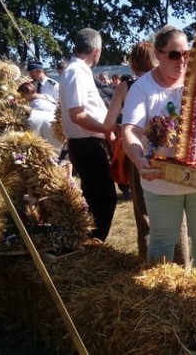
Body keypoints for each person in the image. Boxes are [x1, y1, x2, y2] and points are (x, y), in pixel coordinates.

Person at [122, 25, 196, 269]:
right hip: (161, 181)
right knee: (162, 243)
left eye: (187, 54)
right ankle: (161, 298)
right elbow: (130, 130)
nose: (182, 60)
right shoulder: (143, 88)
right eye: (175, 54)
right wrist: (138, 159)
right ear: (158, 54)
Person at [105, 41, 187, 264]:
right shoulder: (165, 84)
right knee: (176, 217)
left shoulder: (126, 86)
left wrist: (118, 135)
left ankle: (150, 266)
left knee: (144, 215)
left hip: (137, 156)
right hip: (169, 157)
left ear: (132, 62)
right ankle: (180, 267)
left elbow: (108, 124)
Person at [58, 28, 118, 242]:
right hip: (86, 144)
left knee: (96, 198)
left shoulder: (77, 71)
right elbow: (78, 114)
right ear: (96, 50)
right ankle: (93, 244)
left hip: (87, 143)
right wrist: (107, 129)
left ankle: (88, 241)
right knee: (105, 199)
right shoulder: (75, 71)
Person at [16, 82, 63, 152]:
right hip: (59, 126)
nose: (23, 97)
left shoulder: (37, 105)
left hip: (52, 128)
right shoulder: (46, 96)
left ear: (27, 93)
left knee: (53, 151)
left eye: (23, 95)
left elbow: (36, 121)